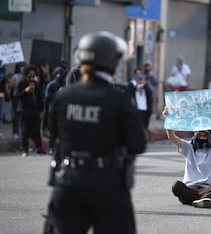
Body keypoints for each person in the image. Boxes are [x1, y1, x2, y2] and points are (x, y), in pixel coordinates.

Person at [44, 31, 147, 234]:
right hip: (108, 185)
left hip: (68, 182)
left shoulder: (63, 98)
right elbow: (138, 144)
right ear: (112, 62)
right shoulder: (119, 100)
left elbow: (53, 135)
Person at [162, 106, 211, 208]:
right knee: (176, 185)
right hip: (190, 188)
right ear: (195, 136)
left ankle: (204, 199)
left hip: (206, 189)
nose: (202, 138)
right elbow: (171, 136)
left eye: (204, 136)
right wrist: (168, 118)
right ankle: (202, 200)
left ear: (208, 138)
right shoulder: (188, 147)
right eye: (199, 135)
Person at [16, 64, 46, 156]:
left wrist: (41, 111)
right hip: (24, 110)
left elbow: (41, 99)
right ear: (26, 75)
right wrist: (25, 91)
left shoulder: (37, 85)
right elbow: (17, 96)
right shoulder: (21, 83)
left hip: (35, 111)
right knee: (25, 130)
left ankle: (39, 148)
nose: (32, 76)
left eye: (33, 74)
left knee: (36, 130)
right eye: (30, 74)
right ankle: (25, 149)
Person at [43, 66, 65, 147]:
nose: (59, 75)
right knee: (53, 130)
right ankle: (52, 147)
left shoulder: (65, 84)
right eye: (57, 73)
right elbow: (48, 97)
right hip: (52, 111)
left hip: (62, 111)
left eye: (61, 73)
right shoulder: (51, 85)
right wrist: (57, 93)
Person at [126, 67, 153, 132]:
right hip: (136, 108)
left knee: (144, 125)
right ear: (134, 75)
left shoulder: (143, 84)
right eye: (137, 74)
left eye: (140, 74)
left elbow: (149, 93)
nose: (138, 75)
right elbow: (128, 93)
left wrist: (145, 85)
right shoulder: (132, 84)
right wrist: (136, 85)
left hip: (144, 108)